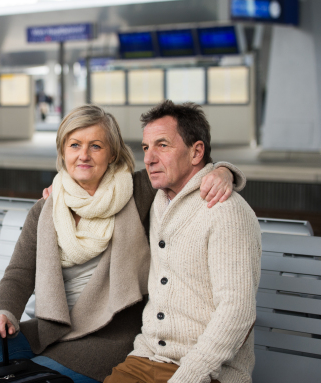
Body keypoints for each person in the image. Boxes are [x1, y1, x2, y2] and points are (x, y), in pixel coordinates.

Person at [0, 105, 243, 383]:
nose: (83, 155)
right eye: (74, 145)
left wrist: (224, 172)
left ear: (112, 153)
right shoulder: (46, 208)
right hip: (54, 329)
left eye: (95, 146)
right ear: (63, 152)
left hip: (109, 338)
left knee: (36, 377)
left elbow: (185, 166)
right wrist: (4, 312)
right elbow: (19, 273)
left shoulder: (136, 192)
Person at [104, 101, 261, 383]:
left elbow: (237, 313)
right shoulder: (159, 199)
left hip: (208, 371)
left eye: (162, 145)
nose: (149, 158)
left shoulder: (225, 211)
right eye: (145, 147)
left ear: (196, 151)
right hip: (145, 358)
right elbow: (96, 185)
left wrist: (188, 376)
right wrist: (59, 189)